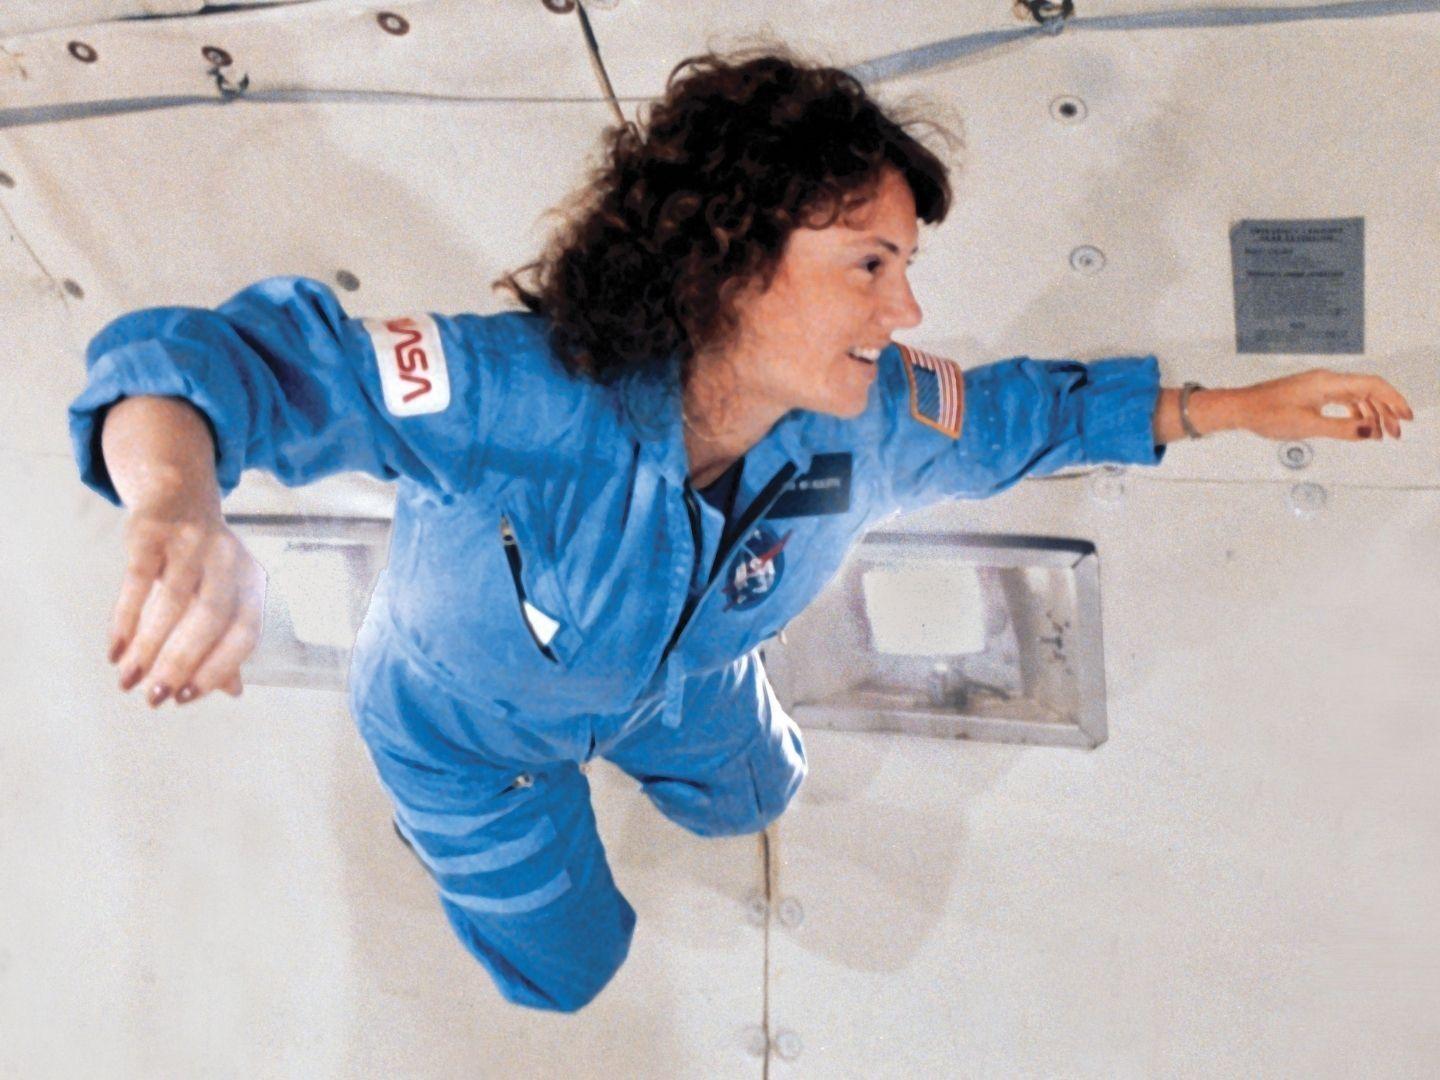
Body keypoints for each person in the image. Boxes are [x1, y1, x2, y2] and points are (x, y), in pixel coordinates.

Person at [68, 50, 1413, 1013]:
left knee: (758, 797)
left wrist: (1238, 408)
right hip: (468, 730)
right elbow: (205, 365)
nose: (904, 312)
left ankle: (672, 712)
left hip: (683, 680)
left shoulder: (871, 419)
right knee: (567, 975)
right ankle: (460, 832)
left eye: (907, 268)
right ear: (726, 259)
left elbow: (1026, 415)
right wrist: (179, 505)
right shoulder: (522, 394)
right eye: (869, 265)